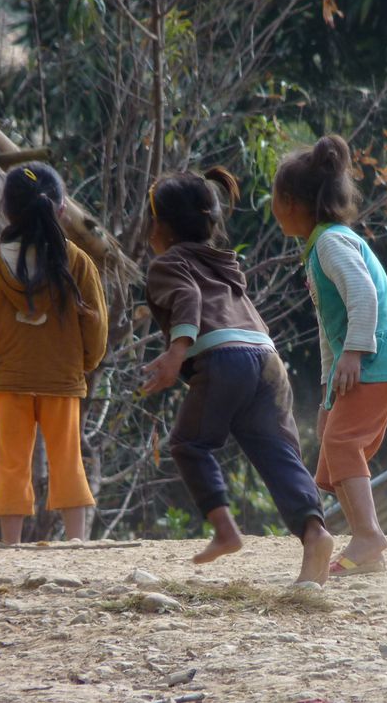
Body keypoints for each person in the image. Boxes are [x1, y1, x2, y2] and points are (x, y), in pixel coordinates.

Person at [141, 166, 334, 587]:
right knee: (278, 454)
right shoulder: (226, 263)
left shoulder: (167, 264)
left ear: (159, 225)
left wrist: (176, 354)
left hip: (224, 359)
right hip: (266, 357)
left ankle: (226, 530)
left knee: (189, 443)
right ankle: (315, 535)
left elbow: (188, 297)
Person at [271, 134, 387, 576]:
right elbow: (329, 332)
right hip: (374, 356)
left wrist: (355, 355)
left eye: (274, 197)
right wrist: (327, 393)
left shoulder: (330, 243)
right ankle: (369, 555)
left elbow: (363, 297)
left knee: (342, 442)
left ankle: (368, 535)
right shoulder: (324, 243)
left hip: (379, 355)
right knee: (333, 446)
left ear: (292, 202)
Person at [0, 162, 108, 545]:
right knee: (67, 459)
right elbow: (95, 322)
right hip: (62, 378)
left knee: (11, 462)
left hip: (10, 378)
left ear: (6, 210)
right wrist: (87, 362)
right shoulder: (77, 261)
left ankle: (10, 543)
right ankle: (76, 542)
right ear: (61, 210)